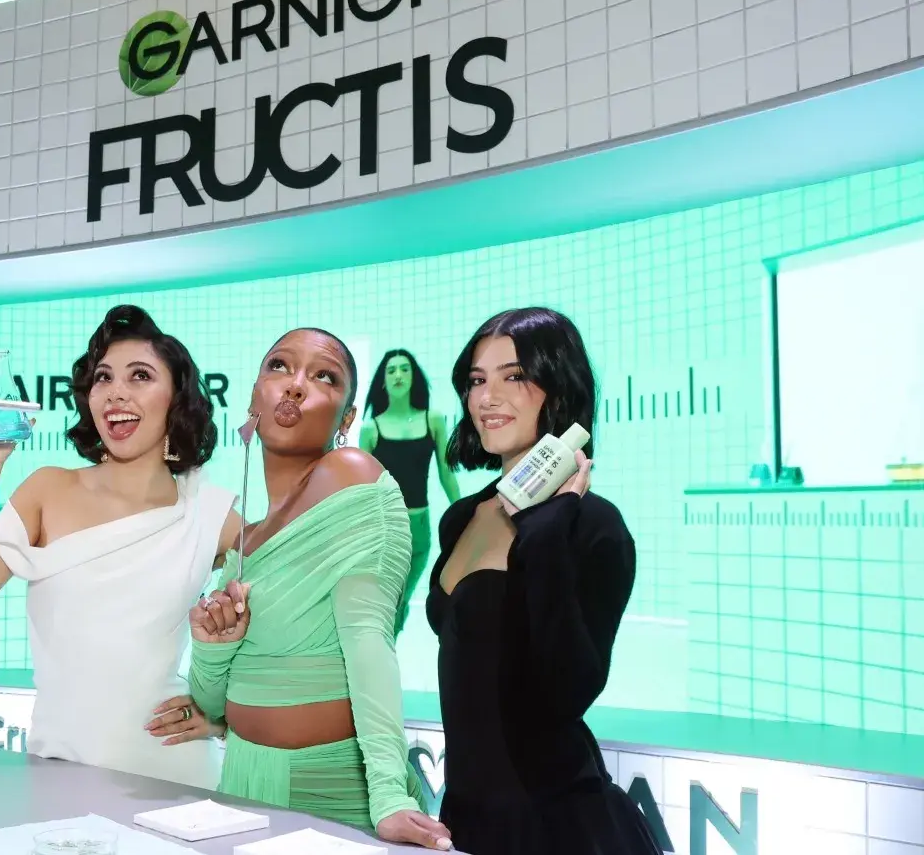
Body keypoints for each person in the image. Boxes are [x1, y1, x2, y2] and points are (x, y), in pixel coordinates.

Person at [0, 304, 242, 790]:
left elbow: (288, 625)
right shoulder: (48, 489)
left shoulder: (207, 509)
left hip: (174, 776)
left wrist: (225, 717)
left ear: (175, 398)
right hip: (61, 771)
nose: (117, 391)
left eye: (140, 376)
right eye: (103, 378)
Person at [188, 328, 453, 851]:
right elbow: (212, 704)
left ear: (347, 418)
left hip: (331, 788)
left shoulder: (352, 477)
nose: (295, 386)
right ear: (253, 397)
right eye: (279, 367)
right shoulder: (244, 541)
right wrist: (211, 647)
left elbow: (368, 639)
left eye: (323, 376)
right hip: (239, 782)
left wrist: (389, 795)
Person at [426, 307, 658, 854]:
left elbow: (569, 689)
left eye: (514, 376)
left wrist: (548, 529)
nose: (487, 397)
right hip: (466, 818)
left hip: (557, 826)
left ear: (558, 388)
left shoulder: (594, 527)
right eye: (477, 381)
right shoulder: (462, 516)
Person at [358, 349, 460, 634]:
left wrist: (467, 515)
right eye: (391, 370)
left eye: (404, 369)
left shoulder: (433, 420)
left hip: (419, 531)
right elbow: (361, 486)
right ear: (383, 381)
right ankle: (378, 664)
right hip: (384, 528)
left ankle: (381, 661)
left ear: (414, 376)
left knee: (399, 601)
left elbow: (446, 475)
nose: (398, 375)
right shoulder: (371, 428)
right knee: (389, 601)